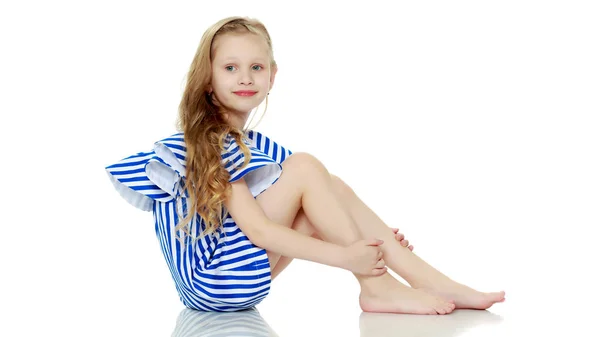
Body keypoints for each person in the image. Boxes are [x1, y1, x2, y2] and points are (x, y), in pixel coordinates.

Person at [105, 16, 505, 314]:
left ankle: (434, 281)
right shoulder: (210, 139)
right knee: (308, 168)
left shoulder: (252, 145)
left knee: (331, 186)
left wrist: (375, 237)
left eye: (256, 67)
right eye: (230, 68)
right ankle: (376, 287)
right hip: (215, 280)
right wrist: (350, 255)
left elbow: (319, 200)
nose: (245, 77)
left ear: (272, 76)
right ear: (207, 79)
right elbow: (260, 231)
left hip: (224, 286)